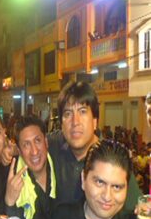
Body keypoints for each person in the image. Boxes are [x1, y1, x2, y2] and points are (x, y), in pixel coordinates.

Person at [47, 81, 141, 210]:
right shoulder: (51, 145)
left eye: (82, 111)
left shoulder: (113, 159)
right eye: (68, 114)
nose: (75, 122)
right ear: (61, 124)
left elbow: (137, 208)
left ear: (95, 121)